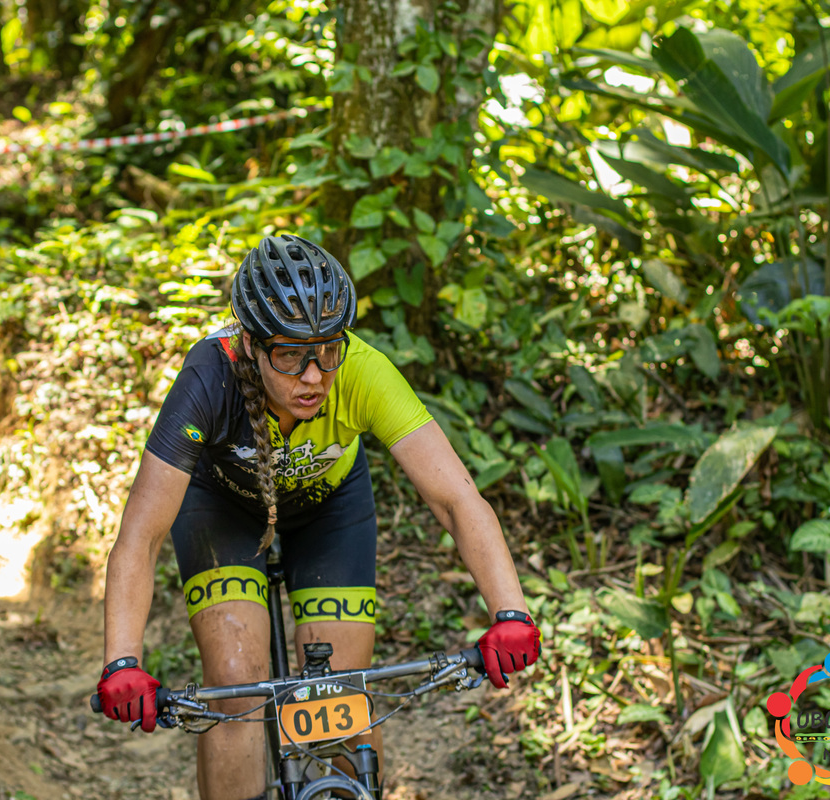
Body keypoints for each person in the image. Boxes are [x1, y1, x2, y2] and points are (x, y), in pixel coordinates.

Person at [98, 234, 541, 800]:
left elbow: (457, 499)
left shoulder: (363, 371)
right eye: (290, 355)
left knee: (341, 692)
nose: (313, 376)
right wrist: (122, 661)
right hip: (222, 509)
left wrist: (510, 612)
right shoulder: (208, 379)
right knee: (236, 684)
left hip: (329, 510)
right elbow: (141, 534)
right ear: (252, 344)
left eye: (328, 350)